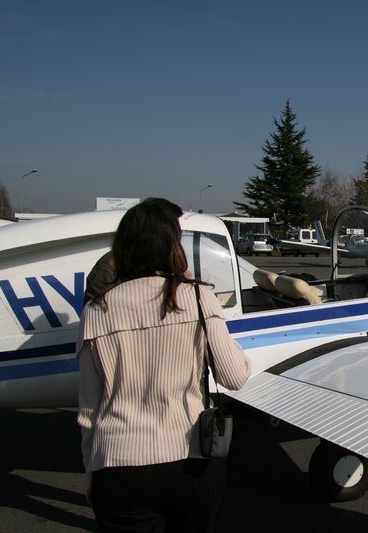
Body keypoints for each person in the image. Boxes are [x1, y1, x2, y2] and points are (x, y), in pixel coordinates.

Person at [77, 198, 252, 532]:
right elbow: (235, 377)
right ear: (172, 246)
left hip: (117, 467)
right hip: (191, 463)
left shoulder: (95, 311)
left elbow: (89, 412)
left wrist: (91, 472)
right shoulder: (199, 297)